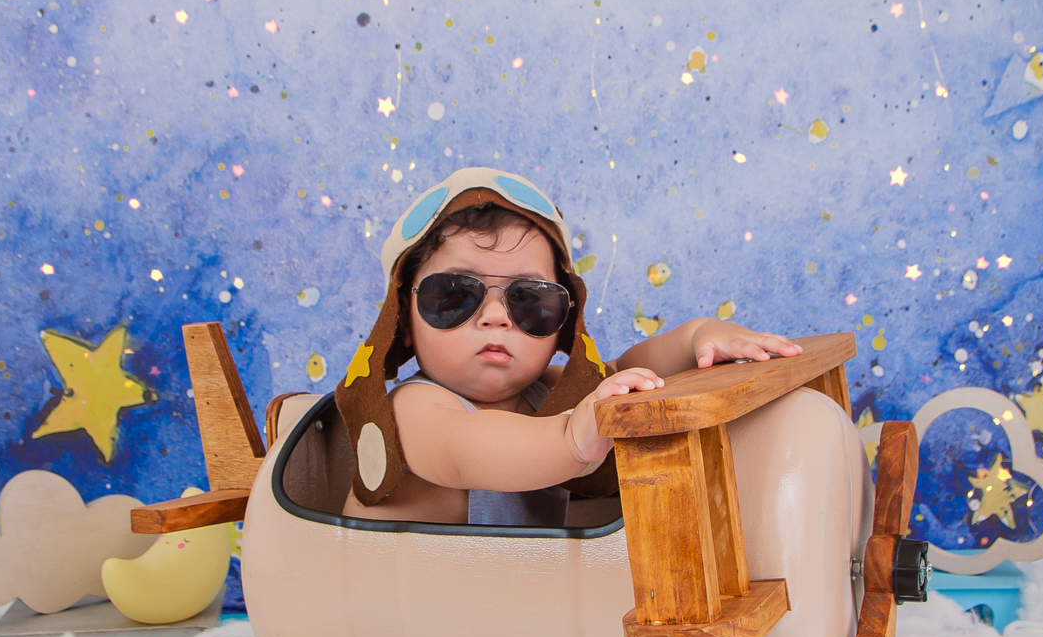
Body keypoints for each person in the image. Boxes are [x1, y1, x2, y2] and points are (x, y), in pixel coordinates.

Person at [335, 167, 800, 527]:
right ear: (404, 322)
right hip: (393, 608)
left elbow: (628, 371)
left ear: (562, 326)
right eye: (454, 296)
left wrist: (697, 337)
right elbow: (469, 449)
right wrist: (571, 438)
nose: (496, 316)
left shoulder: (547, 392)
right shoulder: (416, 410)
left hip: (493, 605)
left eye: (529, 300)